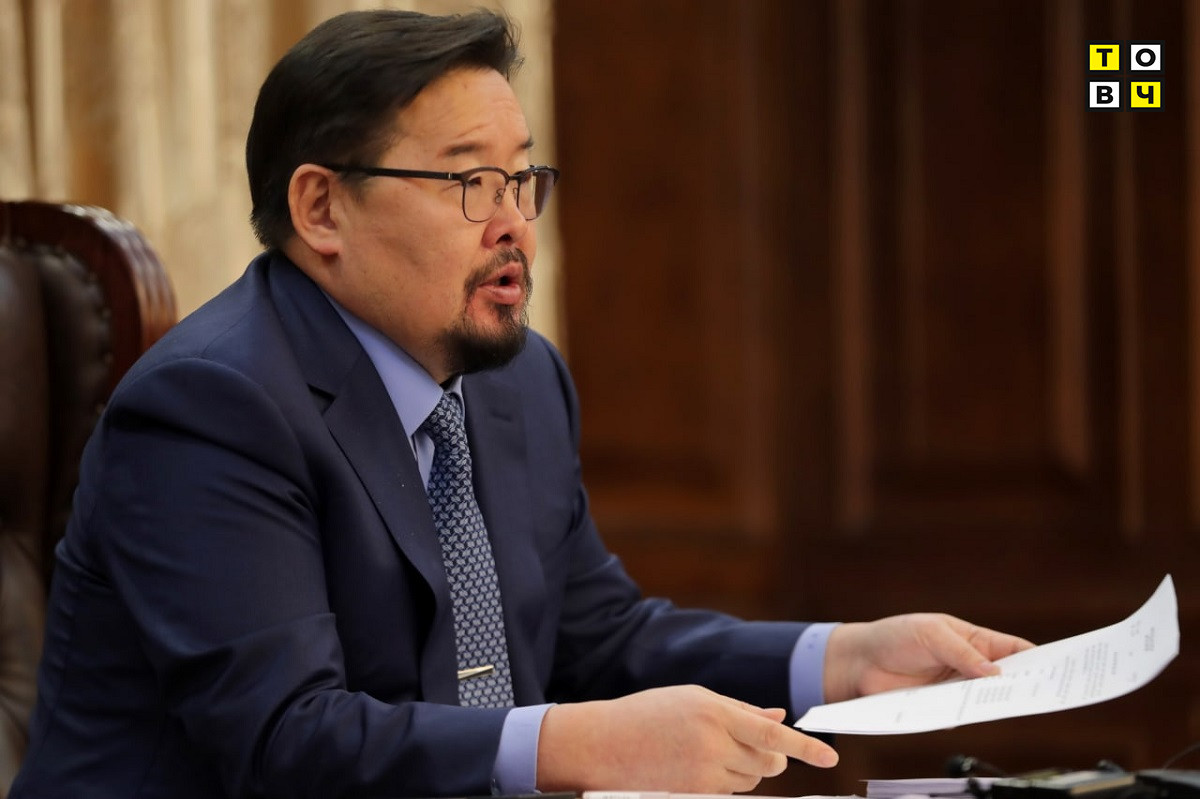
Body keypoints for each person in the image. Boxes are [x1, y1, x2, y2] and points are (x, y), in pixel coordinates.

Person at [10, 9, 1033, 799]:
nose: (515, 227)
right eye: (470, 184)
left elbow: (598, 639)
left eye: (522, 180)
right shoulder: (212, 406)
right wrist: (577, 742)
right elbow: (287, 739)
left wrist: (839, 657)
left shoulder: (517, 381)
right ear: (321, 207)